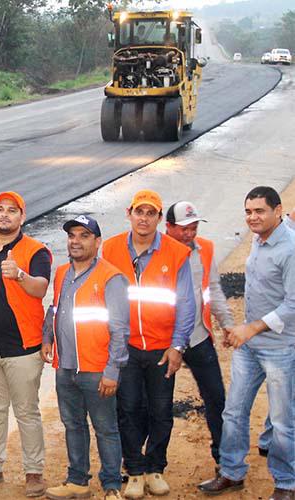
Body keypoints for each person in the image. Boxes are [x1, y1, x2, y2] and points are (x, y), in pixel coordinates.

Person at [199, 186, 295, 500]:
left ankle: (285, 483)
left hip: (281, 348)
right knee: (233, 411)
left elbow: (292, 305)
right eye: (249, 211)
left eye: (260, 211)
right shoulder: (258, 239)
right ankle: (231, 472)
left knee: (281, 421)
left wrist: (249, 328)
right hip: (250, 347)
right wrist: (237, 330)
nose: (252, 217)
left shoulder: (290, 249)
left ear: (278, 211)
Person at [101, 189, 195, 498]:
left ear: (158, 217)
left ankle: (156, 468)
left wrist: (178, 346)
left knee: (161, 411)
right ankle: (136, 471)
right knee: (127, 409)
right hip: (125, 348)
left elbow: (185, 304)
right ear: (129, 214)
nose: (144, 218)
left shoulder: (175, 252)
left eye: (151, 213)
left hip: (161, 348)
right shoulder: (111, 249)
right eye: (139, 212)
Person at [0, 191, 52, 497]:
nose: (5, 215)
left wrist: (19, 275)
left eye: (12, 211)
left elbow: (40, 288)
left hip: (23, 348)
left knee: (27, 412)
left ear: (22, 217)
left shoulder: (36, 250)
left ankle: (34, 472)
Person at [41, 215, 130, 500]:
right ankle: (77, 481)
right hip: (65, 368)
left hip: (96, 369)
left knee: (106, 429)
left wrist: (112, 370)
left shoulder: (111, 277)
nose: (75, 241)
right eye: (72, 236)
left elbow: (119, 329)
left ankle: (112, 486)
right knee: (73, 425)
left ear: (97, 241)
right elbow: (54, 309)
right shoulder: (62, 272)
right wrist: (47, 338)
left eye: (83, 235)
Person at [164, 201, 234, 470]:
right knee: (154, 407)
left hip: (198, 337)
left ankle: (225, 460)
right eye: (183, 229)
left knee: (216, 398)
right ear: (168, 227)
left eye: (193, 228)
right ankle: (142, 465)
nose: (190, 234)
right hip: (164, 341)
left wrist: (226, 323)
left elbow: (212, 290)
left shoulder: (205, 249)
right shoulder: (157, 253)